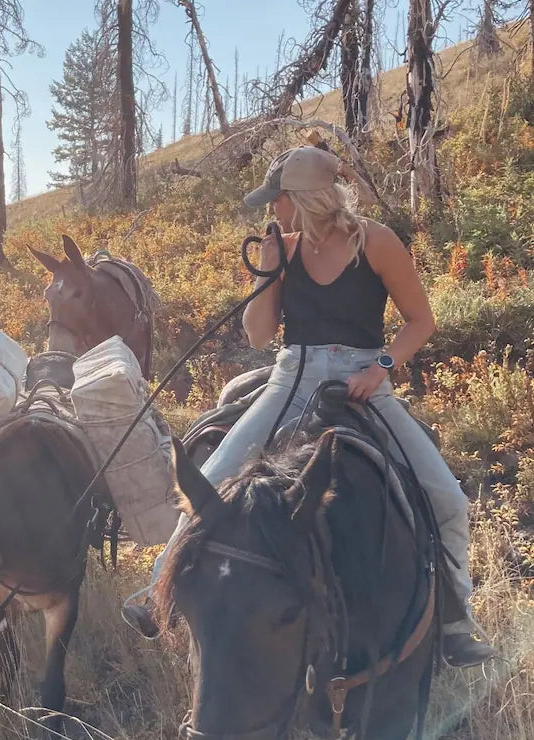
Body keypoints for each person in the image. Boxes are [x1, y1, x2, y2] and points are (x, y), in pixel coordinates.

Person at [123, 145, 492, 667]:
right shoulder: (285, 249)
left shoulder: (377, 242)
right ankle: (158, 591)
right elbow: (257, 335)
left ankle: (456, 623)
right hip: (292, 375)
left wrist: (381, 367)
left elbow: (420, 322)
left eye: (278, 200)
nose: (272, 211)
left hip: (367, 378)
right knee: (215, 474)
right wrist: (267, 272)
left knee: (447, 497)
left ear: (302, 199)